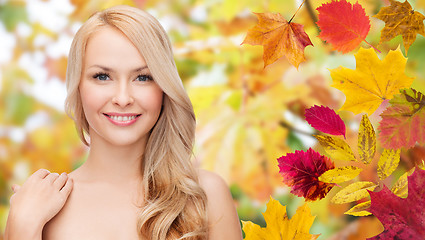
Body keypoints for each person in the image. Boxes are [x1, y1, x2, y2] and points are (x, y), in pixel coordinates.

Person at [4, 5, 242, 240]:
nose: (123, 98)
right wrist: (22, 228)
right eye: (102, 76)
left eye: (142, 77)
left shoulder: (206, 195)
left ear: (163, 88)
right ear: (78, 87)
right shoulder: (41, 207)